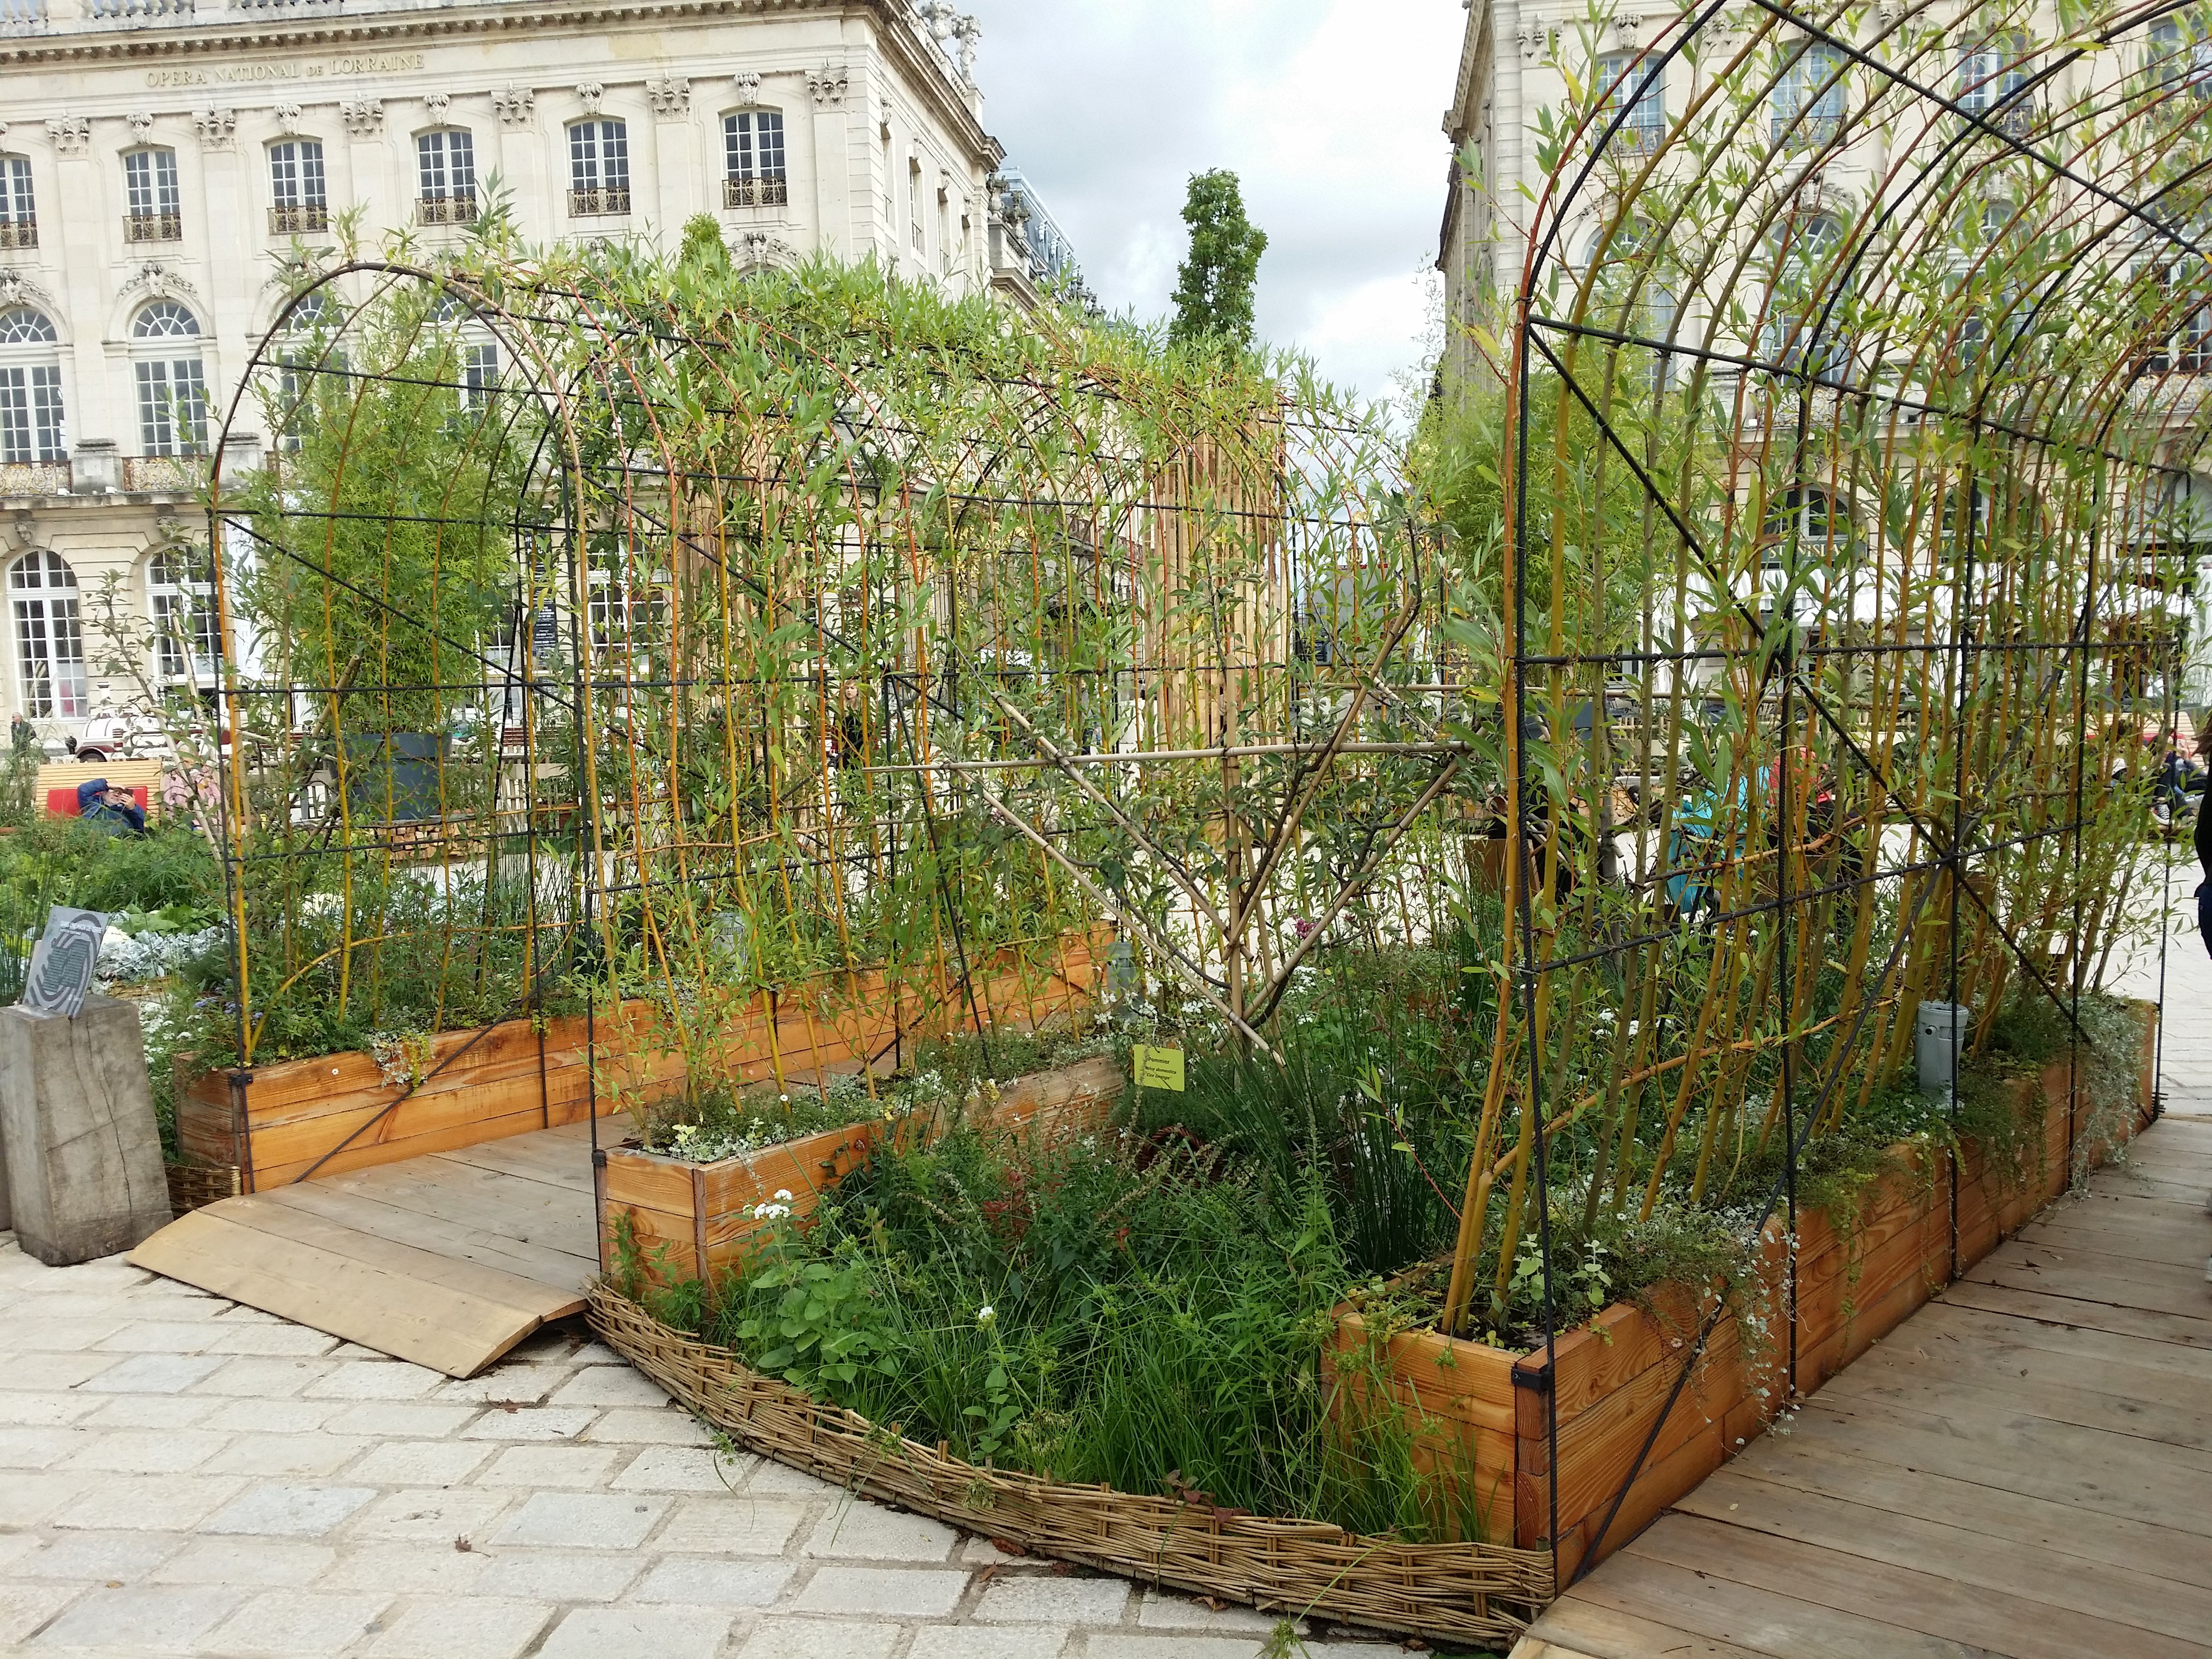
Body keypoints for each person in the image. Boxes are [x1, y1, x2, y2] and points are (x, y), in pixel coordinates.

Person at [76, 776, 145, 836]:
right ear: (103, 793)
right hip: (89, 835)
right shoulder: (92, 803)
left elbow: (141, 829)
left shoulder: (129, 810)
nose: (116, 795)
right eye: (112, 791)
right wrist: (106, 785)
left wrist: (133, 808)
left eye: (120, 793)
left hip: (115, 840)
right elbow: (83, 790)